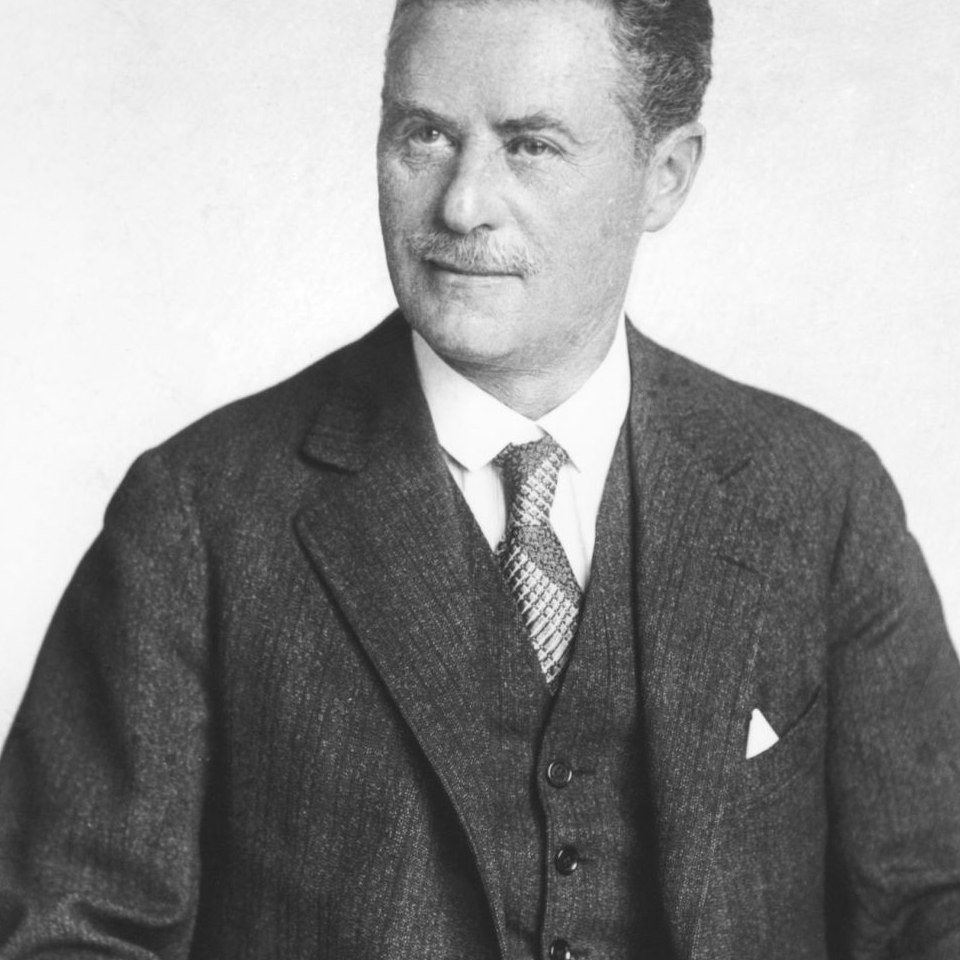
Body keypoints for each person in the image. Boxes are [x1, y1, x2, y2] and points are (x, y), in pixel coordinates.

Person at [2, 0, 959, 956]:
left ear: (665, 175)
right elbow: (69, 933)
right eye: (424, 135)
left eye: (531, 146)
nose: (461, 206)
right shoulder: (197, 515)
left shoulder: (821, 498)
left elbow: (932, 904)